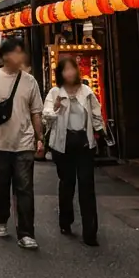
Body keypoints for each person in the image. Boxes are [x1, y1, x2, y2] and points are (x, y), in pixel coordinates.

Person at [0, 36, 44, 249]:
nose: (20, 56)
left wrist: (40, 138)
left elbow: (36, 112)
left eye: (21, 52)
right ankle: (1, 219)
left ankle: (26, 233)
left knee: (25, 188)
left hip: (24, 143)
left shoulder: (29, 80)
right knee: (1, 186)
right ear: (5, 56)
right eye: (16, 52)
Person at [42, 56, 104, 246]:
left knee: (87, 185)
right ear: (60, 73)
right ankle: (65, 221)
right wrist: (56, 108)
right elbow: (46, 118)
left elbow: (96, 113)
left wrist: (100, 131)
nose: (70, 73)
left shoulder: (86, 91)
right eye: (65, 70)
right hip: (63, 144)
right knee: (67, 183)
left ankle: (90, 232)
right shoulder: (55, 93)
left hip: (84, 143)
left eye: (72, 69)